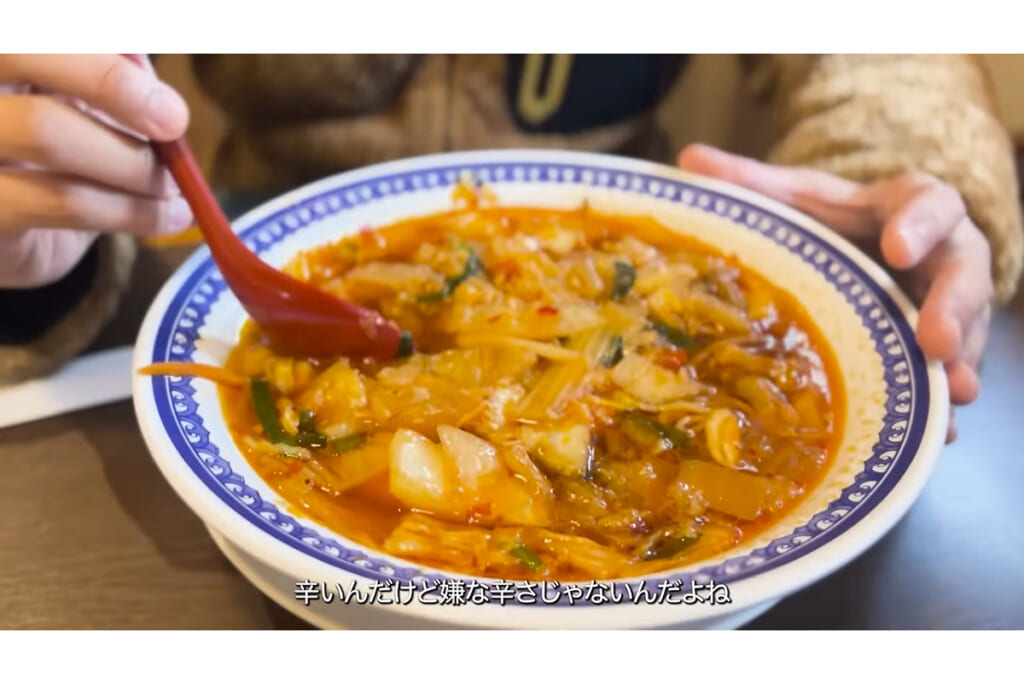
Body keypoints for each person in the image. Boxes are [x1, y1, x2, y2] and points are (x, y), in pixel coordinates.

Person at [0, 54, 1020, 444]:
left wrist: (901, 178)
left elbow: (885, 48)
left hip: (636, 207)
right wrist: (39, 239)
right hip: (233, 225)